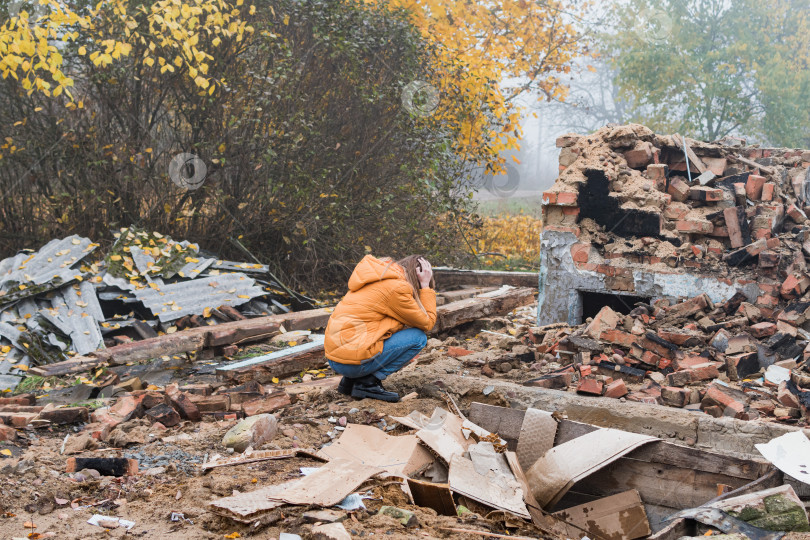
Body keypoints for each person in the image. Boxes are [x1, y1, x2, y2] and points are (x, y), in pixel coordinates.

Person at [324, 254, 437, 402]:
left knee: (392, 331)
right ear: (418, 275)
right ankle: (367, 383)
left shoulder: (376, 279)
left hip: (336, 360)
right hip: (351, 364)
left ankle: (350, 381)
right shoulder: (397, 288)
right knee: (418, 338)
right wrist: (426, 287)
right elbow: (427, 323)